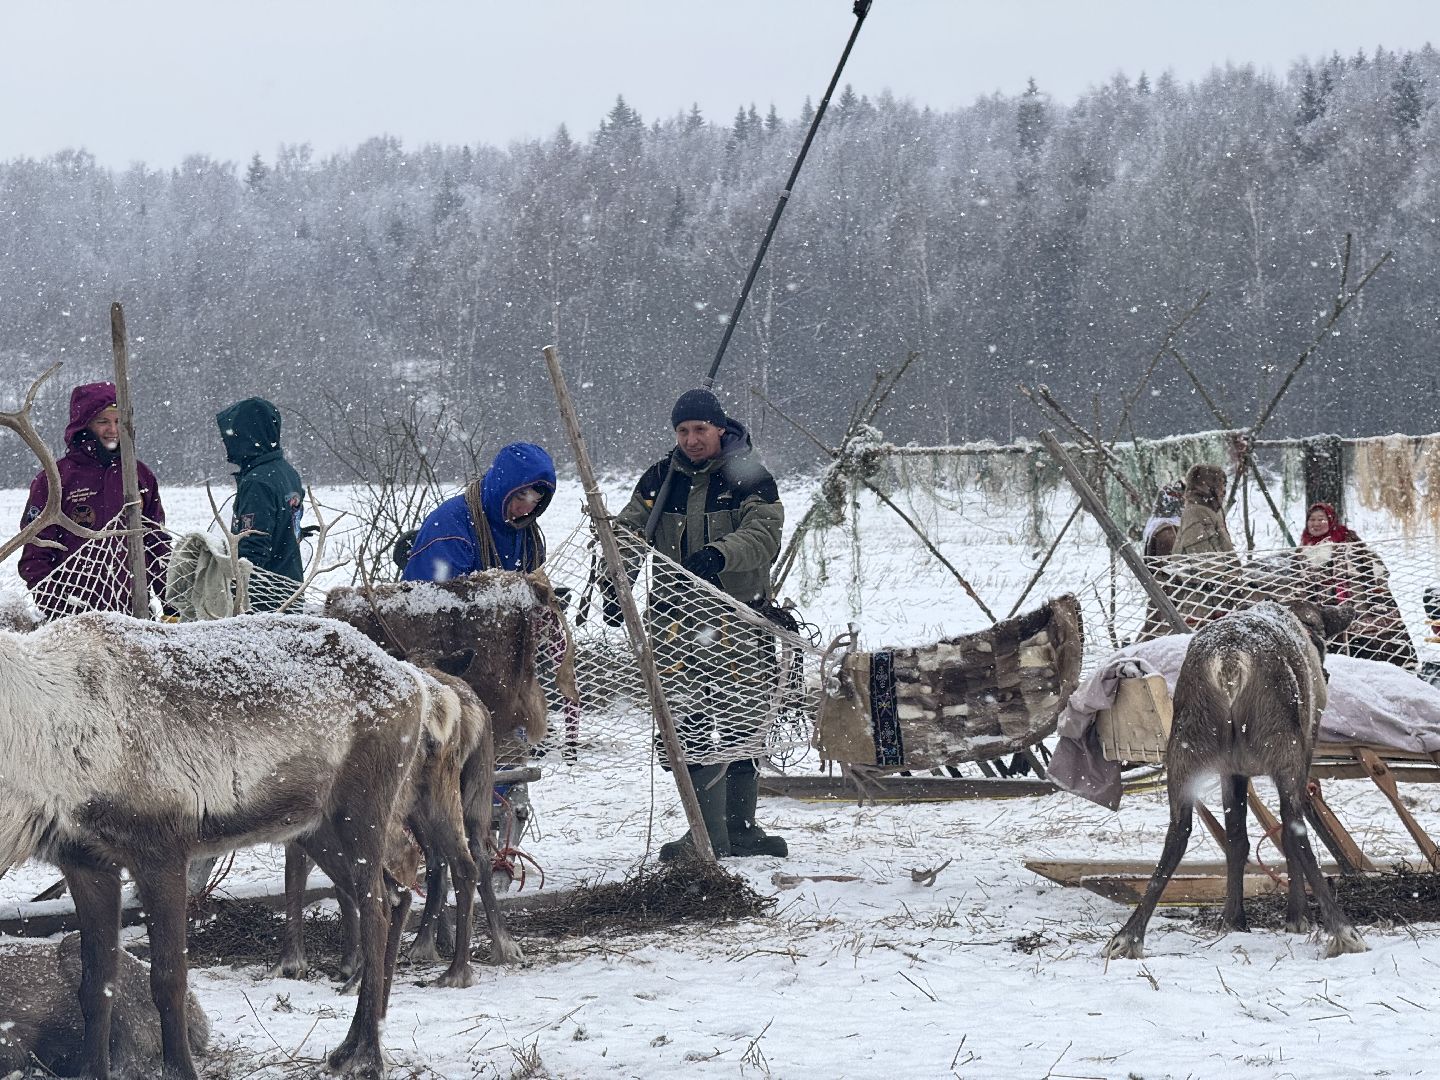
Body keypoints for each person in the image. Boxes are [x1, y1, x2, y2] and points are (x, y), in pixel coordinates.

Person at [614, 387, 787, 861]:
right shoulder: (659, 480)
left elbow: (764, 535)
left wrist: (718, 554)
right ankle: (705, 834)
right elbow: (626, 532)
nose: (692, 439)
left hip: (736, 620)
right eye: (683, 431)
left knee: (742, 723)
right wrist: (617, 582)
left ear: (720, 429)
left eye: (700, 430)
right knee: (686, 724)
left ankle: (740, 830)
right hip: (673, 627)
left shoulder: (747, 475)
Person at [18, 381, 169, 619]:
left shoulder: (140, 475)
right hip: (76, 620)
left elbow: (156, 542)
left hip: (135, 616)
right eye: (103, 421)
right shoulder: (54, 479)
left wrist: (172, 604)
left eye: (119, 421)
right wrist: (62, 613)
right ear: (84, 425)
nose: (113, 429)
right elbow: (35, 557)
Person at [401, 442, 556, 581]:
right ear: (501, 488)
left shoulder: (527, 536)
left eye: (535, 502)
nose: (525, 510)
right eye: (521, 496)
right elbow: (436, 604)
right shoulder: (449, 528)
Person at [1299, 501, 1416, 667]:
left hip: (1359, 603)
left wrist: (1373, 584)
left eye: (1321, 519)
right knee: (1338, 653)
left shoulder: (1348, 540)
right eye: (1312, 520)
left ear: (1331, 520)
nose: (1316, 524)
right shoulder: (1304, 548)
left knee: (1373, 646)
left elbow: (1373, 564)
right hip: (1325, 607)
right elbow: (1302, 581)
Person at [216, 397, 305, 610]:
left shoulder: (258, 483)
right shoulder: (287, 472)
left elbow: (252, 547)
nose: (227, 442)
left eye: (231, 435)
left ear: (247, 436)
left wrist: (235, 594)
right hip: (290, 590)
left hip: (263, 602)